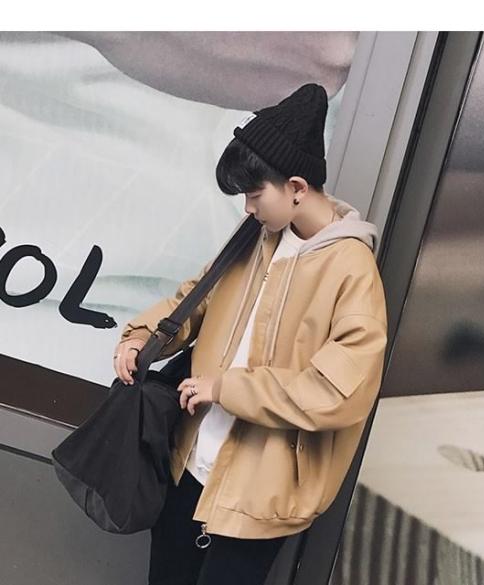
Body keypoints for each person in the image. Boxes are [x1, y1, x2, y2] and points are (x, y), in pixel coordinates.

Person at [112, 83, 388, 585]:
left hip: (262, 496)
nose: (247, 207)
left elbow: (339, 392)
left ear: (297, 187)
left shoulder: (352, 270)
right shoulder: (255, 238)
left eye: (254, 194)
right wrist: (142, 336)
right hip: (188, 466)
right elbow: (195, 300)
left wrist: (226, 389)